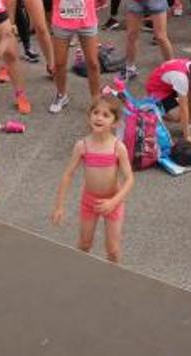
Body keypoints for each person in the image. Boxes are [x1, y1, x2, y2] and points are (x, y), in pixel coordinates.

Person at [51, 94, 135, 263]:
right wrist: (59, 206)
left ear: (115, 122)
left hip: (113, 203)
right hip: (89, 201)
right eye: (96, 112)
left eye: (106, 115)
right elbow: (68, 175)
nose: (99, 117)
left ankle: (114, 280)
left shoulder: (118, 147)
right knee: (84, 244)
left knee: (113, 249)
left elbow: (129, 179)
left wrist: (114, 202)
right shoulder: (82, 145)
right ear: (89, 115)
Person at [43, 0, 110, 113]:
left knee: (93, 63)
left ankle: (96, 98)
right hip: (62, 21)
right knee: (60, 63)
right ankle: (61, 94)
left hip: (86, 20)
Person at [145, 55, 191, 142]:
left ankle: (189, 124)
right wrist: (187, 137)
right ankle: (152, 109)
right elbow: (184, 108)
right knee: (178, 116)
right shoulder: (181, 77)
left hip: (170, 88)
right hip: (157, 93)